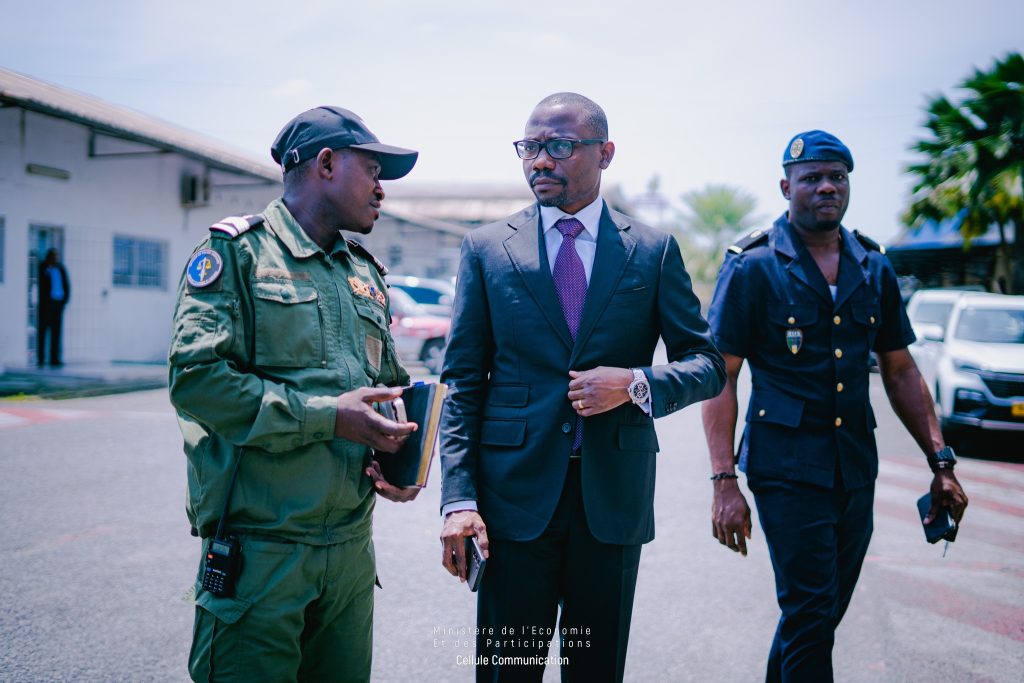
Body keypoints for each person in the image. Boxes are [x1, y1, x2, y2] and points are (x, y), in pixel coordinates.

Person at [438, 92, 726, 682]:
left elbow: (707, 363)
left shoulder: (651, 251)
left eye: (559, 146)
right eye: (531, 147)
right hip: (512, 505)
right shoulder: (488, 249)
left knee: (595, 673)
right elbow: (462, 384)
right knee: (505, 672)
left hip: (610, 504)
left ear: (606, 153)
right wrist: (459, 500)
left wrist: (637, 383)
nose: (539, 160)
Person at [701, 130, 969, 682]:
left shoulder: (872, 266)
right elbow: (721, 376)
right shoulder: (752, 267)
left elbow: (900, 369)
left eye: (837, 177)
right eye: (812, 178)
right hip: (785, 470)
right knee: (810, 609)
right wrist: (723, 481)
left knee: (819, 615)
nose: (827, 187)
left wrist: (940, 462)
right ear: (786, 187)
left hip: (854, 467)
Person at [168, 106, 422, 683]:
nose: (382, 189)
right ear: (326, 164)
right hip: (262, 553)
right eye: (373, 170)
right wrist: (327, 418)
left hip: (351, 555)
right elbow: (198, 381)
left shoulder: (364, 273)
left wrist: (403, 455)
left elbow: (389, 388)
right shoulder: (238, 256)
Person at [37, 247, 70, 367]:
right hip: (47, 305)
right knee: (43, 331)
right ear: (49, 257)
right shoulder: (43, 267)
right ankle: (40, 358)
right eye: (54, 256)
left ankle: (54, 358)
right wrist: (48, 269)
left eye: (57, 256)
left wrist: (64, 300)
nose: (56, 258)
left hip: (58, 303)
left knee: (56, 332)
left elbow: (66, 284)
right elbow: (40, 282)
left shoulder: (61, 268)